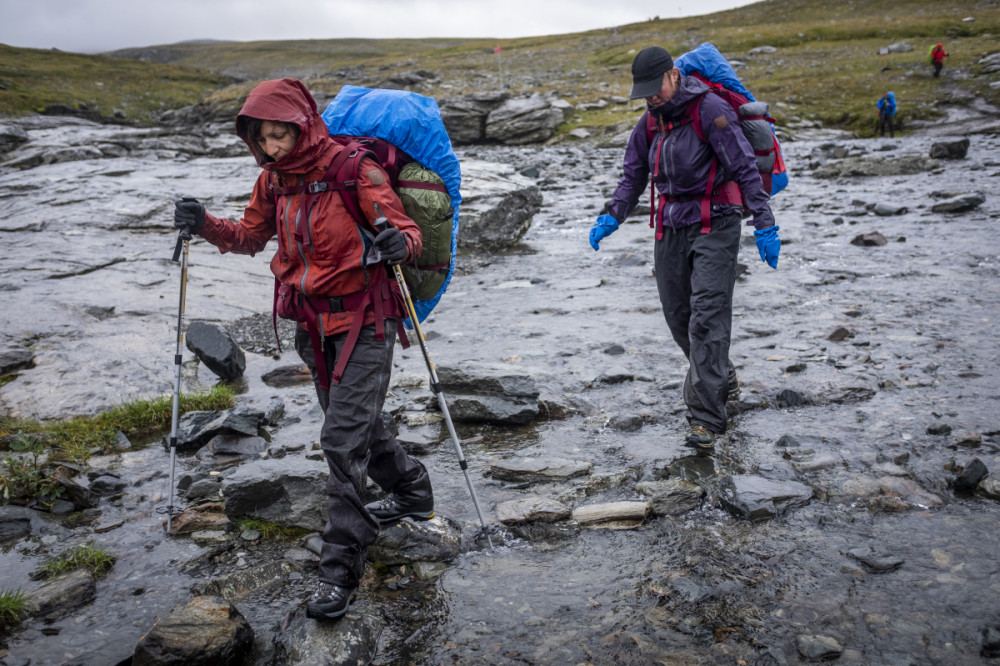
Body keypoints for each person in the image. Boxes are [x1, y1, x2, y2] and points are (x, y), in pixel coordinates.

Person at [172, 78, 434, 622]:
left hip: (368, 318)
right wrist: (204, 225)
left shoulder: (355, 170)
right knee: (355, 424)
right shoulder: (273, 183)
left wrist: (397, 243)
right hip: (311, 324)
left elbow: (409, 232)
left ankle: (340, 569)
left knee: (340, 441)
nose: (271, 147)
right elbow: (248, 236)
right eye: (261, 138)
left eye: (279, 135)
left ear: (302, 123)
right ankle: (411, 489)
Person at [588, 46, 779, 454]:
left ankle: (706, 420)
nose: (650, 98)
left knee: (707, 318)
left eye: (654, 89)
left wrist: (764, 223)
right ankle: (721, 375)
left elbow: (745, 167)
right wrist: (612, 216)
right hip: (670, 227)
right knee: (679, 318)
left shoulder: (709, 110)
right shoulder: (650, 122)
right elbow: (633, 175)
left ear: (674, 75)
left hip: (717, 222)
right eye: (643, 92)